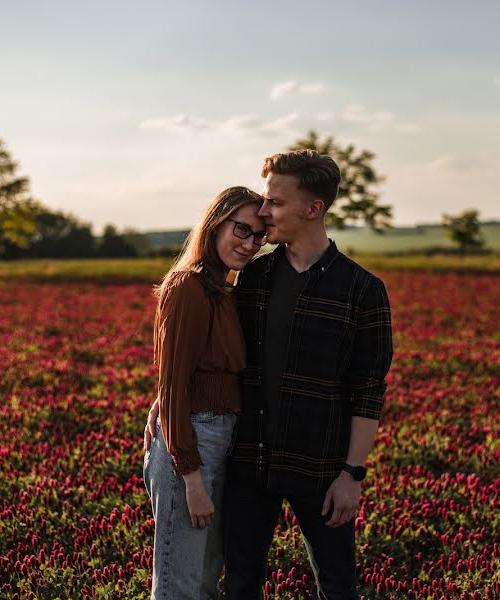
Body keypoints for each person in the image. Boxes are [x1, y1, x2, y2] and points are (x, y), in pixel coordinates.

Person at [147, 150, 393, 599]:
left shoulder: (363, 291)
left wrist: (352, 474)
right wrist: (165, 405)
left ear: (313, 209)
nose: (264, 212)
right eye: (262, 203)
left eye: (275, 203)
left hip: (320, 468)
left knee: (339, 585)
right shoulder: (252, 278)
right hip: (248, 465)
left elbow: (368, 391)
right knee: (238, 584)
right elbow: (194, 357)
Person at [142, 186, 266, 599]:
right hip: (193, 445)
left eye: (258, 236)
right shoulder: (188, 286)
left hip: (218, 438)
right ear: (216, 222)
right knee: (182, 586)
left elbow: (188, 377)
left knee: (205, 582)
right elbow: (175, 385)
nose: (248, 244)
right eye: (241, 229)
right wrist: (191, 478)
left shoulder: (223, 290)